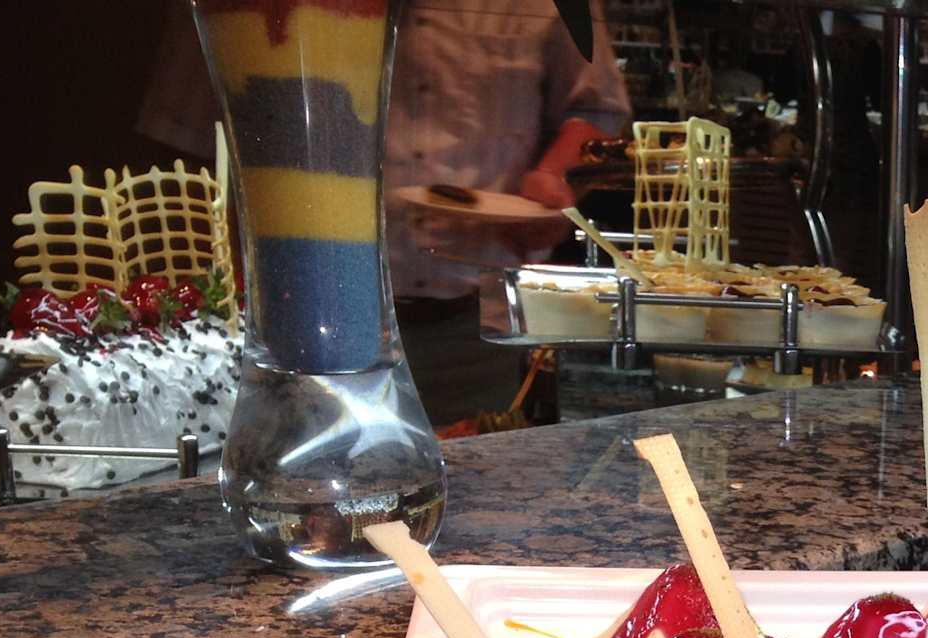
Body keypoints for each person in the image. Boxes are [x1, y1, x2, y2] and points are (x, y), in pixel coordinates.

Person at [141, 0, 629, 425]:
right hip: (292, 322)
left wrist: (554, 181)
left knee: (477, 476)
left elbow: (598, 110)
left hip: (475, 327)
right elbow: (183, 149)